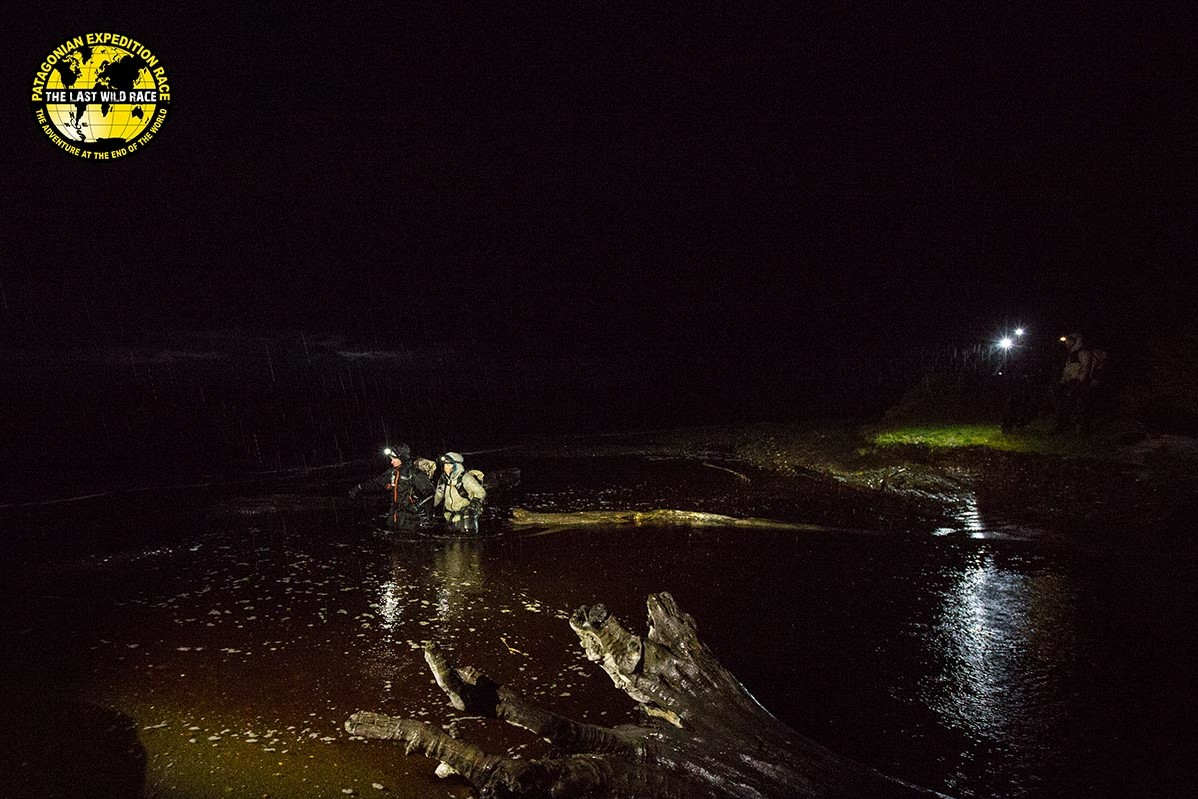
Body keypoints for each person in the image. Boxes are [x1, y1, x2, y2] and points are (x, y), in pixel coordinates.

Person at [349, 444, 434, 530]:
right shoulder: (392, 473)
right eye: (391, 459)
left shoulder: (413, 473)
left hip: (410, 519)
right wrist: (359, 487)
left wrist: (420, 509)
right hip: (394, 515)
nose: (391, 462)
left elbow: (429, 493)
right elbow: (377, 483)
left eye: (394, 459)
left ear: (402, 458)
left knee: (408, 540)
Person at [434, 451, 486, 533]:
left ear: (455, 466)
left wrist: (472, 506)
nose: (445, 468)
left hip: (466, 519)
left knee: (468, 544)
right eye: (444, 465)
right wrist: (429, 507)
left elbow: (481, 492)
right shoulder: (443, 480)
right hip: (450, 518)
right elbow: (438, 496)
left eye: (448, 465)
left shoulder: (465, 478)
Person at [1056, 333, 1095, 433]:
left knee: (1081, 406)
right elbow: (1068, 369)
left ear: (1075, 341)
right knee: (1066, 405)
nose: (1067, 343)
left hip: (1080, 384)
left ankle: (1083, 429)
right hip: (1070, 383)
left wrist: (1079, 381)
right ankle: (1066, 427)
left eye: (1069, 341)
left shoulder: (1083, 353)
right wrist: (1063, 380)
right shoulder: (1070, 354)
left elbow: (1085, 368)